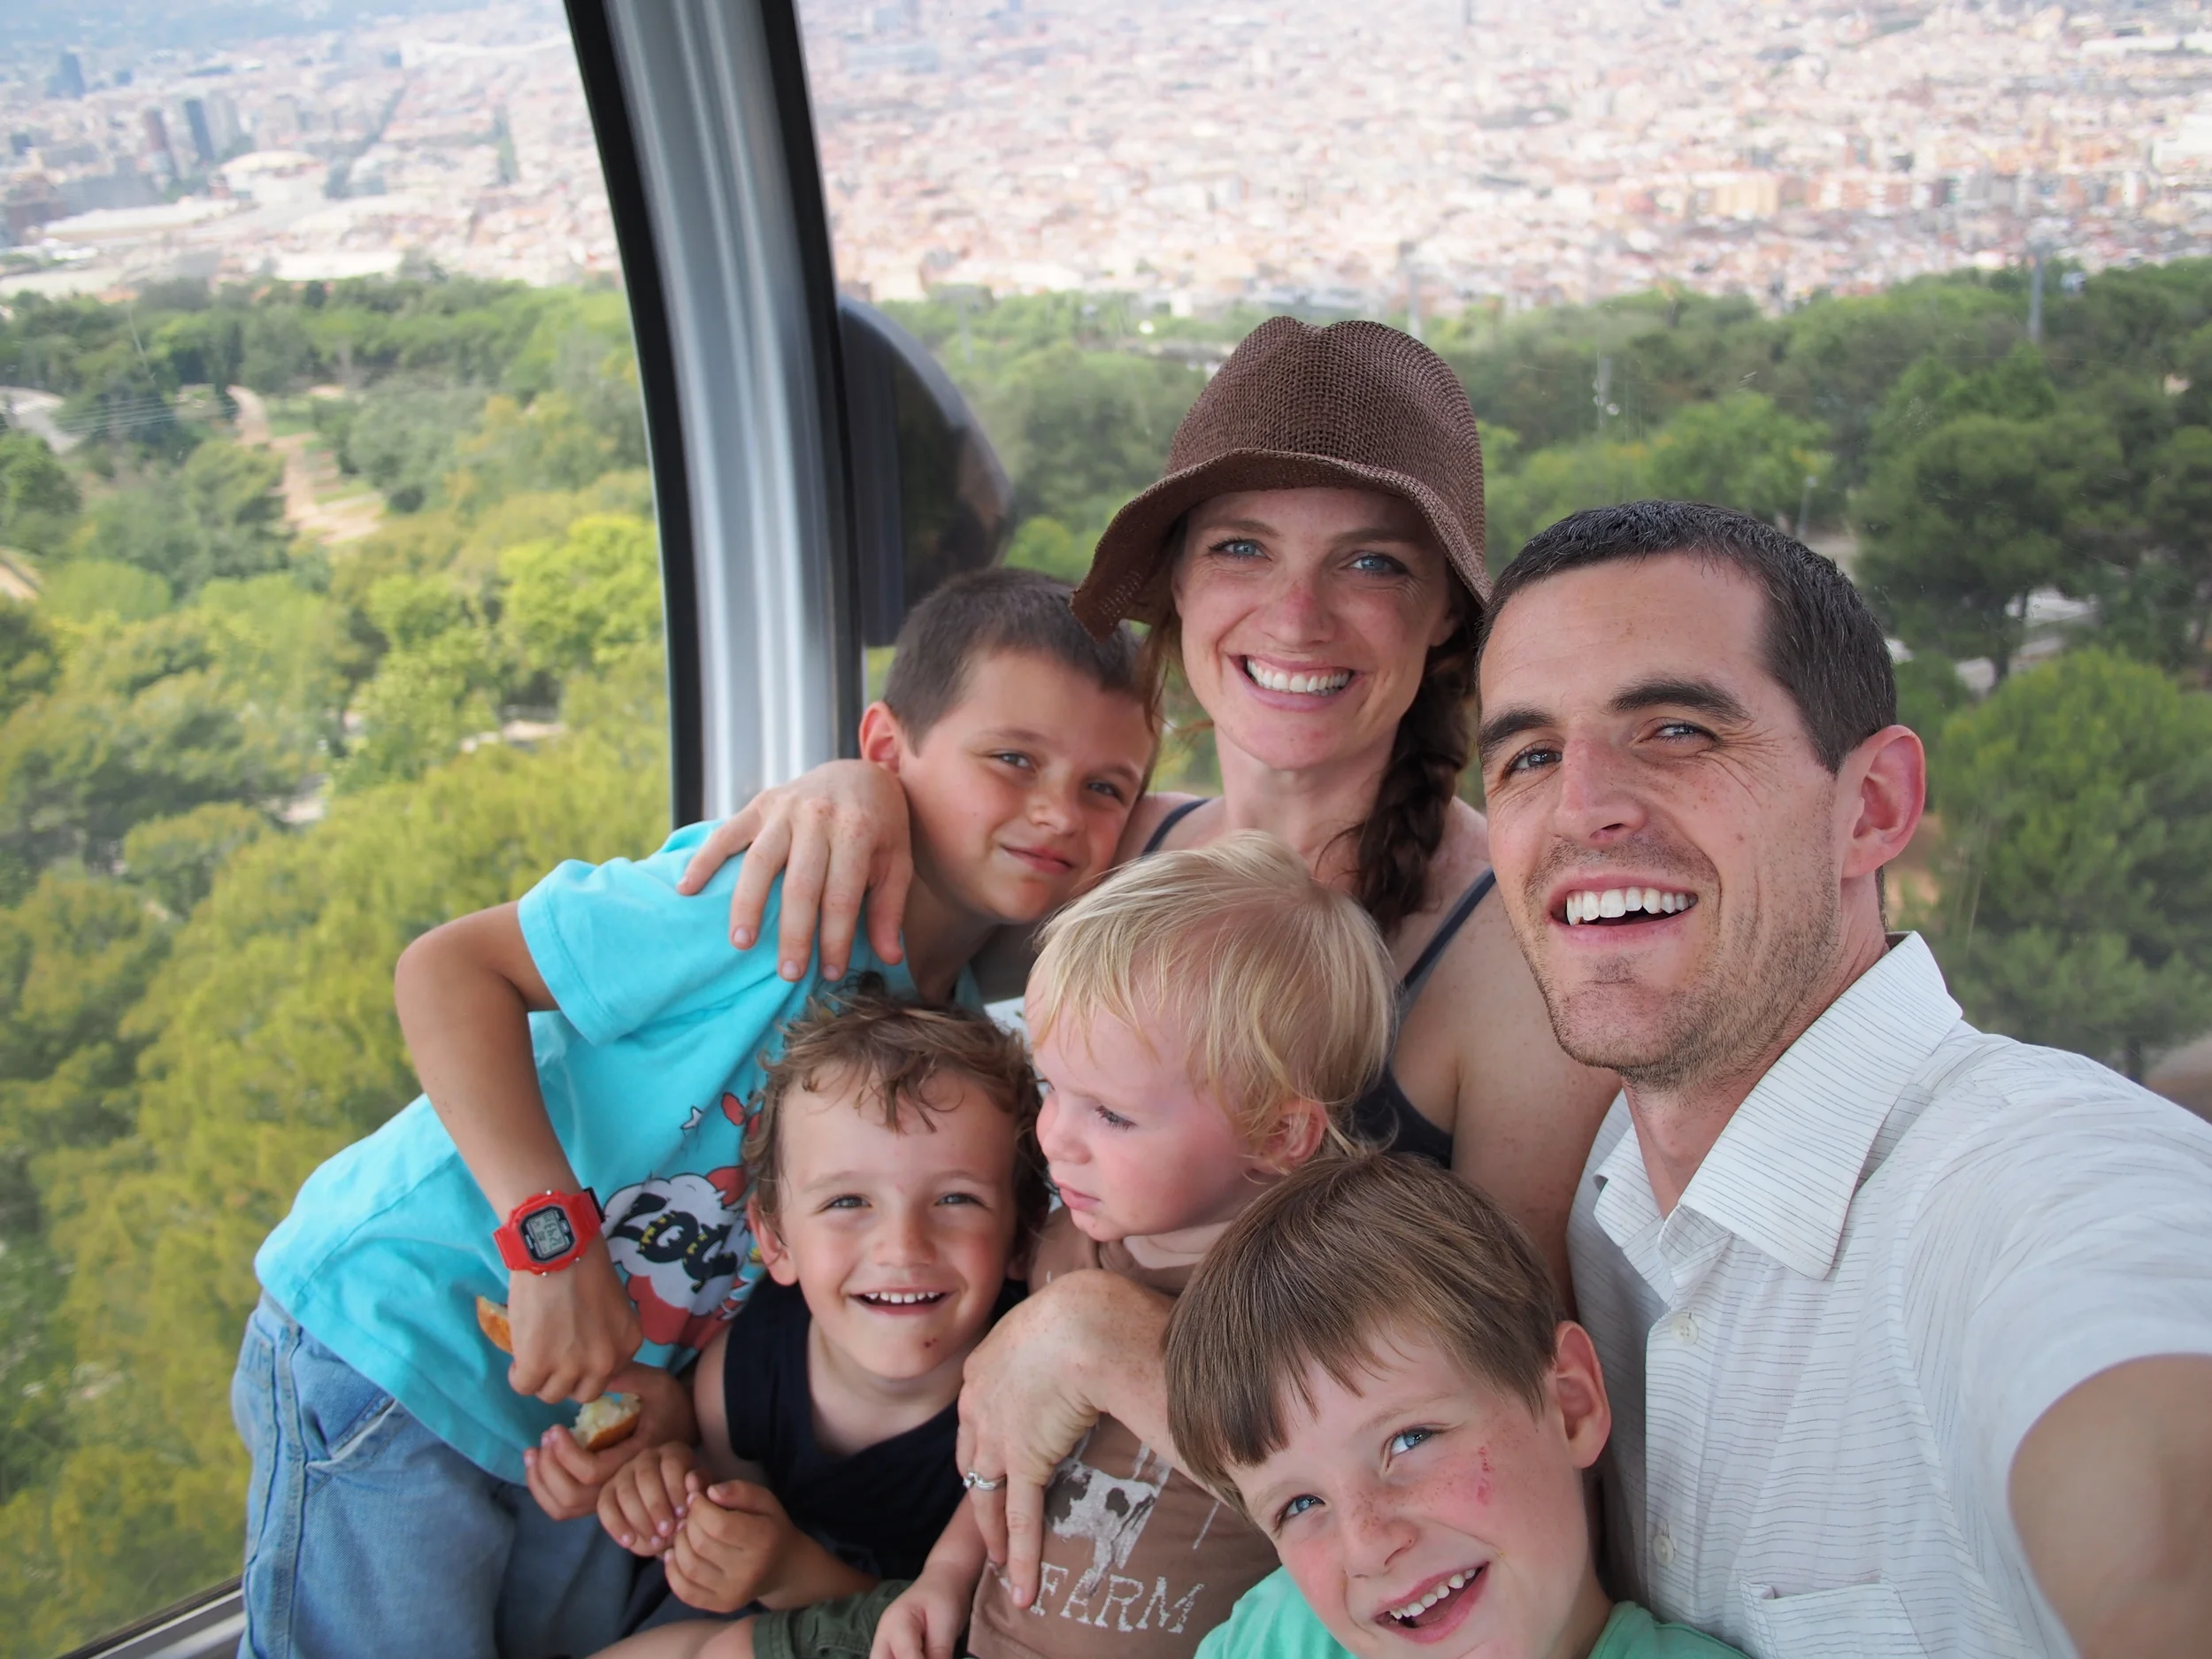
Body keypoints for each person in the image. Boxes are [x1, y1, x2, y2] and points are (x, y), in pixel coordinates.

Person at [230, 568, 1155, 1659]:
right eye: (1014, 760)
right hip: (408, 1321)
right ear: (888, 746)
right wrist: (550, 1241)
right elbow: (446, 973)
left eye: (1108, 787)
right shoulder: (776, 893)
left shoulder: (936, 1047)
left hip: (569, 1412)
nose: (1060, 811)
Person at [678, 317, 1616, 1294]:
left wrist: (1092, 1337)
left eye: (1370, 563)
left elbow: (1510, 1361)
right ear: (1176, 583)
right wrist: (857, 785)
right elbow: (893, 957)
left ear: (1448, 614)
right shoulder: (1103, 838)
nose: (1296, 616)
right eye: (1242, 549)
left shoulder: (1513, 953)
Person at [1472, 500, 2212, 1655]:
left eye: (1677, 730)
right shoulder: (1608, 1198)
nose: (1581, 805)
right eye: (1527, 755)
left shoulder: (2027, 1190)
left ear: (1872, 806)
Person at [733, 832, 1398, 1659]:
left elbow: (1345, 1478)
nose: (1055, 1137)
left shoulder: (1330, 1276)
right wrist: (943, 1577)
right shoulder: (1066, 1238)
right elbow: (1003, 1444)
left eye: (1110, 1114)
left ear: (1278, 1129)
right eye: (1052, 1088)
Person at [590, 988, 1047, 1657]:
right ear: (774, 1241)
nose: (903, 1245)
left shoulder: (1013, 1415)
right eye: (847, 1200)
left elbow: (932, 1628)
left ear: (1019, 1235)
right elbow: (723, 1504)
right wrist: (667, 1492)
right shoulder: (748, 1364)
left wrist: (789, 1572)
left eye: (956, 1198)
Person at [1165, 1154, 1745, 1659]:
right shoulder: (1277, 1640)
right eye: (1299, 1504)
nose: (1369, 1543)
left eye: (1410, 1439)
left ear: (1571, 1404)